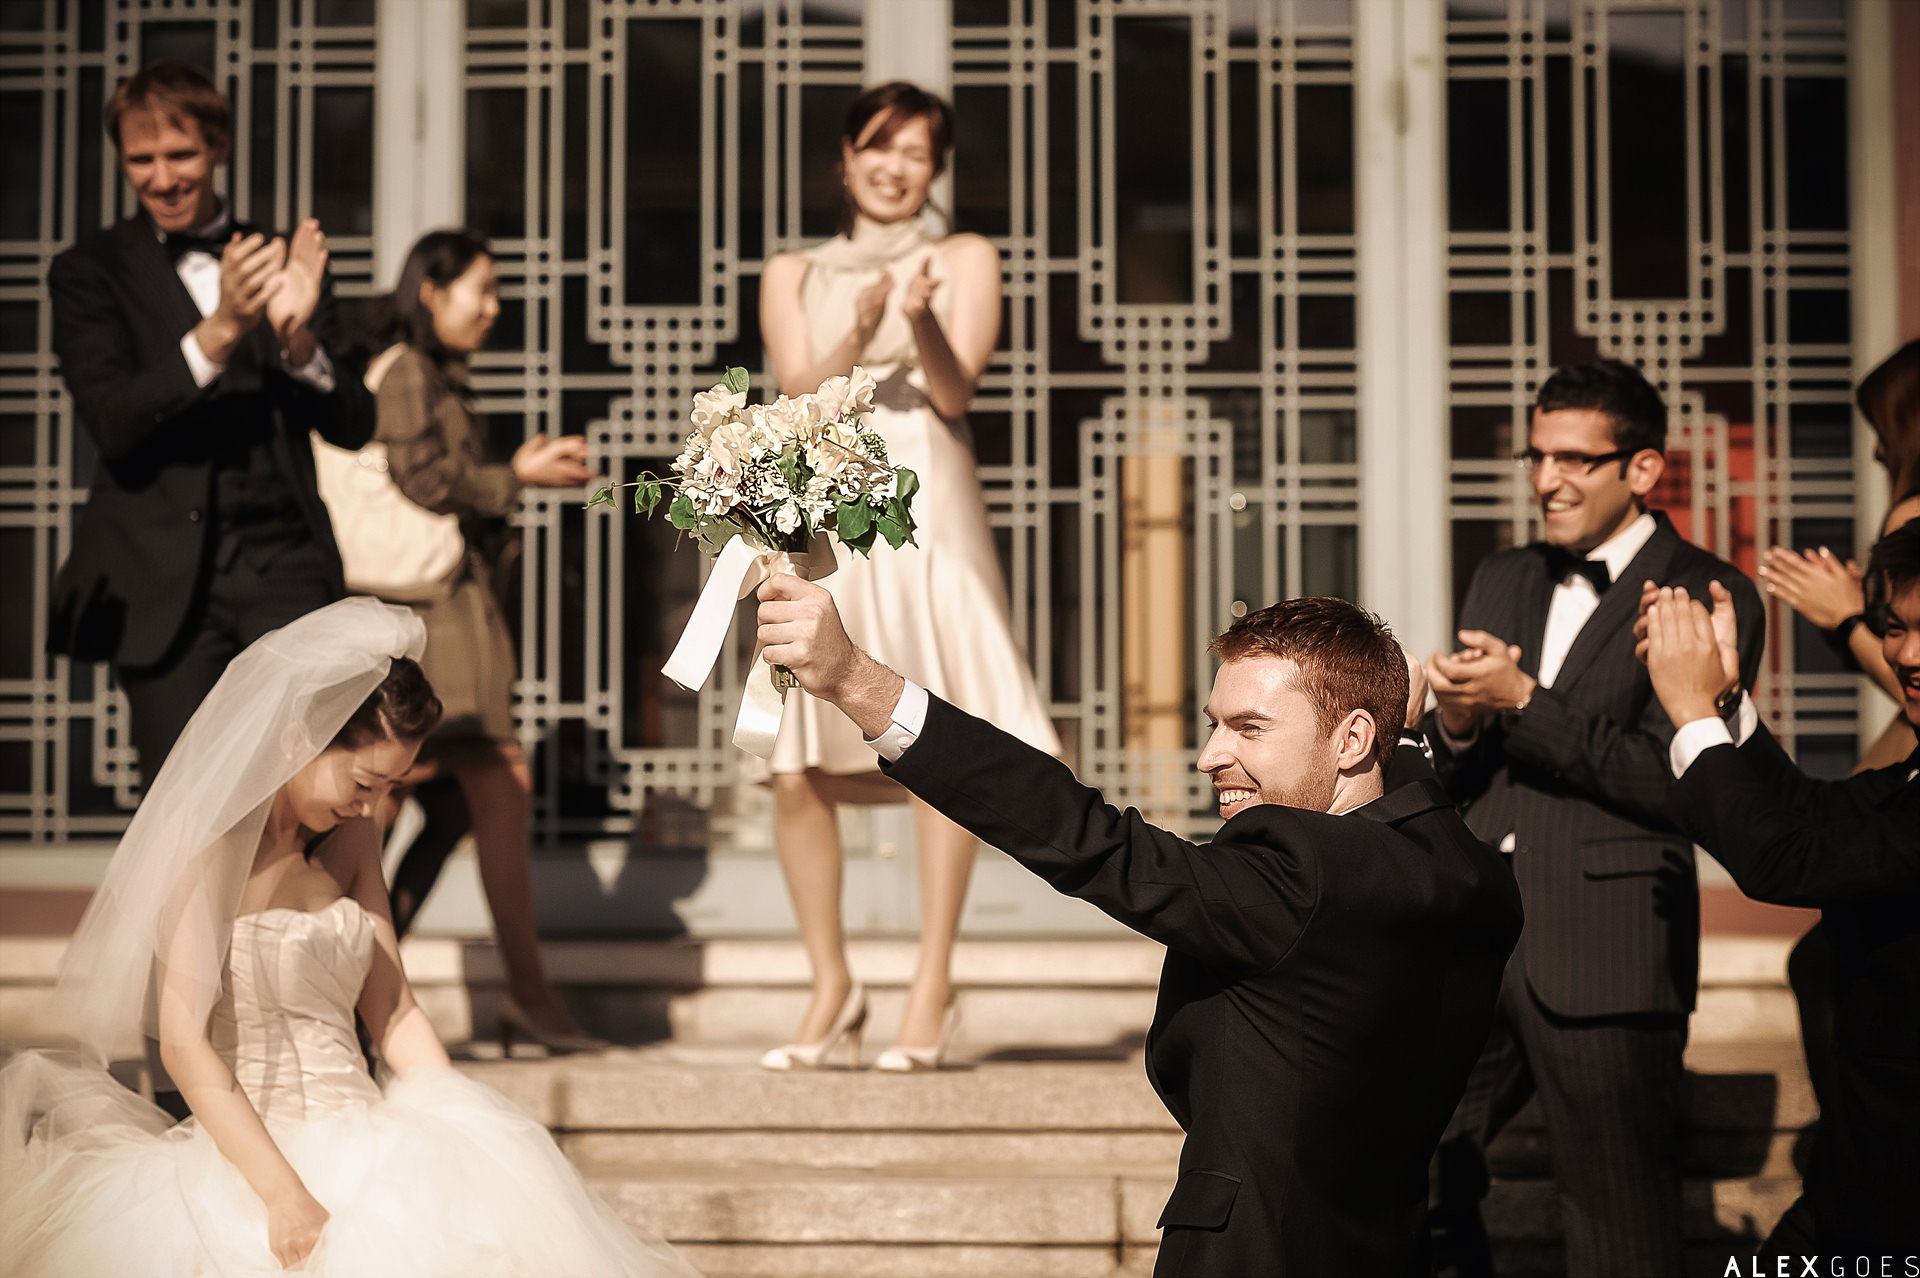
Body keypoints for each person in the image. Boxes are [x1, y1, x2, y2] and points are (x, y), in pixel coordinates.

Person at [754, 573, 1523, 1275]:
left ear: (1351, 740)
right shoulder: (1474, 880)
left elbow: (1092, 840)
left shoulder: (1296, 875)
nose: (1211, 756)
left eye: (1250, 728)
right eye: (1214, 724)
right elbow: (1412, 810)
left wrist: (857, 681)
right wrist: (1404, 738)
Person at [0, 599, 700, 1277]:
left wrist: (467, 1129)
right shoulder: (208, 847)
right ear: (301, 739)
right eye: (365, 781)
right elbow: (184, 1044)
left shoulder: (353, 834)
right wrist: (283, 1195)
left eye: (391, 787)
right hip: (253, 1157)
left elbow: (392, 1010)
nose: (373, 806)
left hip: (368, 1136)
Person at [1421, 359, 1765, 1278]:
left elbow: (1684, 781)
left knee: (1620, 1230)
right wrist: (1457, 722)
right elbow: (1462, 768)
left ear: (1643, 468)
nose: (1546, 480)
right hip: (1471, 934)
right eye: (1537, 456)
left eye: (1573, 459)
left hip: (1608, 941)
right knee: (1403, 1175)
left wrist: (1525, 701)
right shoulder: (1501, 573)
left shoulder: (1710, 593)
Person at [754, 81, 1059, 1071]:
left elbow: (956, 387)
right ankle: (832, 985)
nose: (896, 167)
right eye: (880, 147)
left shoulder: (964, 256)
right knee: (797, 759)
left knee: (934, 728)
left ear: (936, 170)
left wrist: (918, 318)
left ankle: (932, 982)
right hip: (822, 495)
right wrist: (860, 327)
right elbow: (797, 391)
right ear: (846, 158)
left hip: (925, 489)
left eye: (917, 153)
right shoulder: (792, 269)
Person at [46, 62, 373, 781]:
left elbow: (354, 423)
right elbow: (112, 422)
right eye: (142, 159)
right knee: (186, 806)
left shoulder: (285, 258)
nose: (163, 179)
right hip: (160, 579)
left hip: (286, 567)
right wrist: (221, 329)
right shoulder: (89, 270)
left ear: (218, 147)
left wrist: (297, 342)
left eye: (181, 154)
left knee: (307, 789)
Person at [1640, 523, 1920, 1254]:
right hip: (1858, 1175)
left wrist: (1691, 714)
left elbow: (1791, 862)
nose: (1906, 656)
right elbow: (1817, 813)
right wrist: (1726, 703)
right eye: (1895, 628)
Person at [348, 229, 597, 1052]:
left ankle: (358, 993)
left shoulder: (434, 372)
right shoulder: (408, 370)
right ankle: (525, 994)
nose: (493, 308)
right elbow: (422, 476)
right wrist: (514, 477)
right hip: (428, 611)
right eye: (480, 290)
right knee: (478, 782)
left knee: (436, 798)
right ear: (431, 289)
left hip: (445, 605)